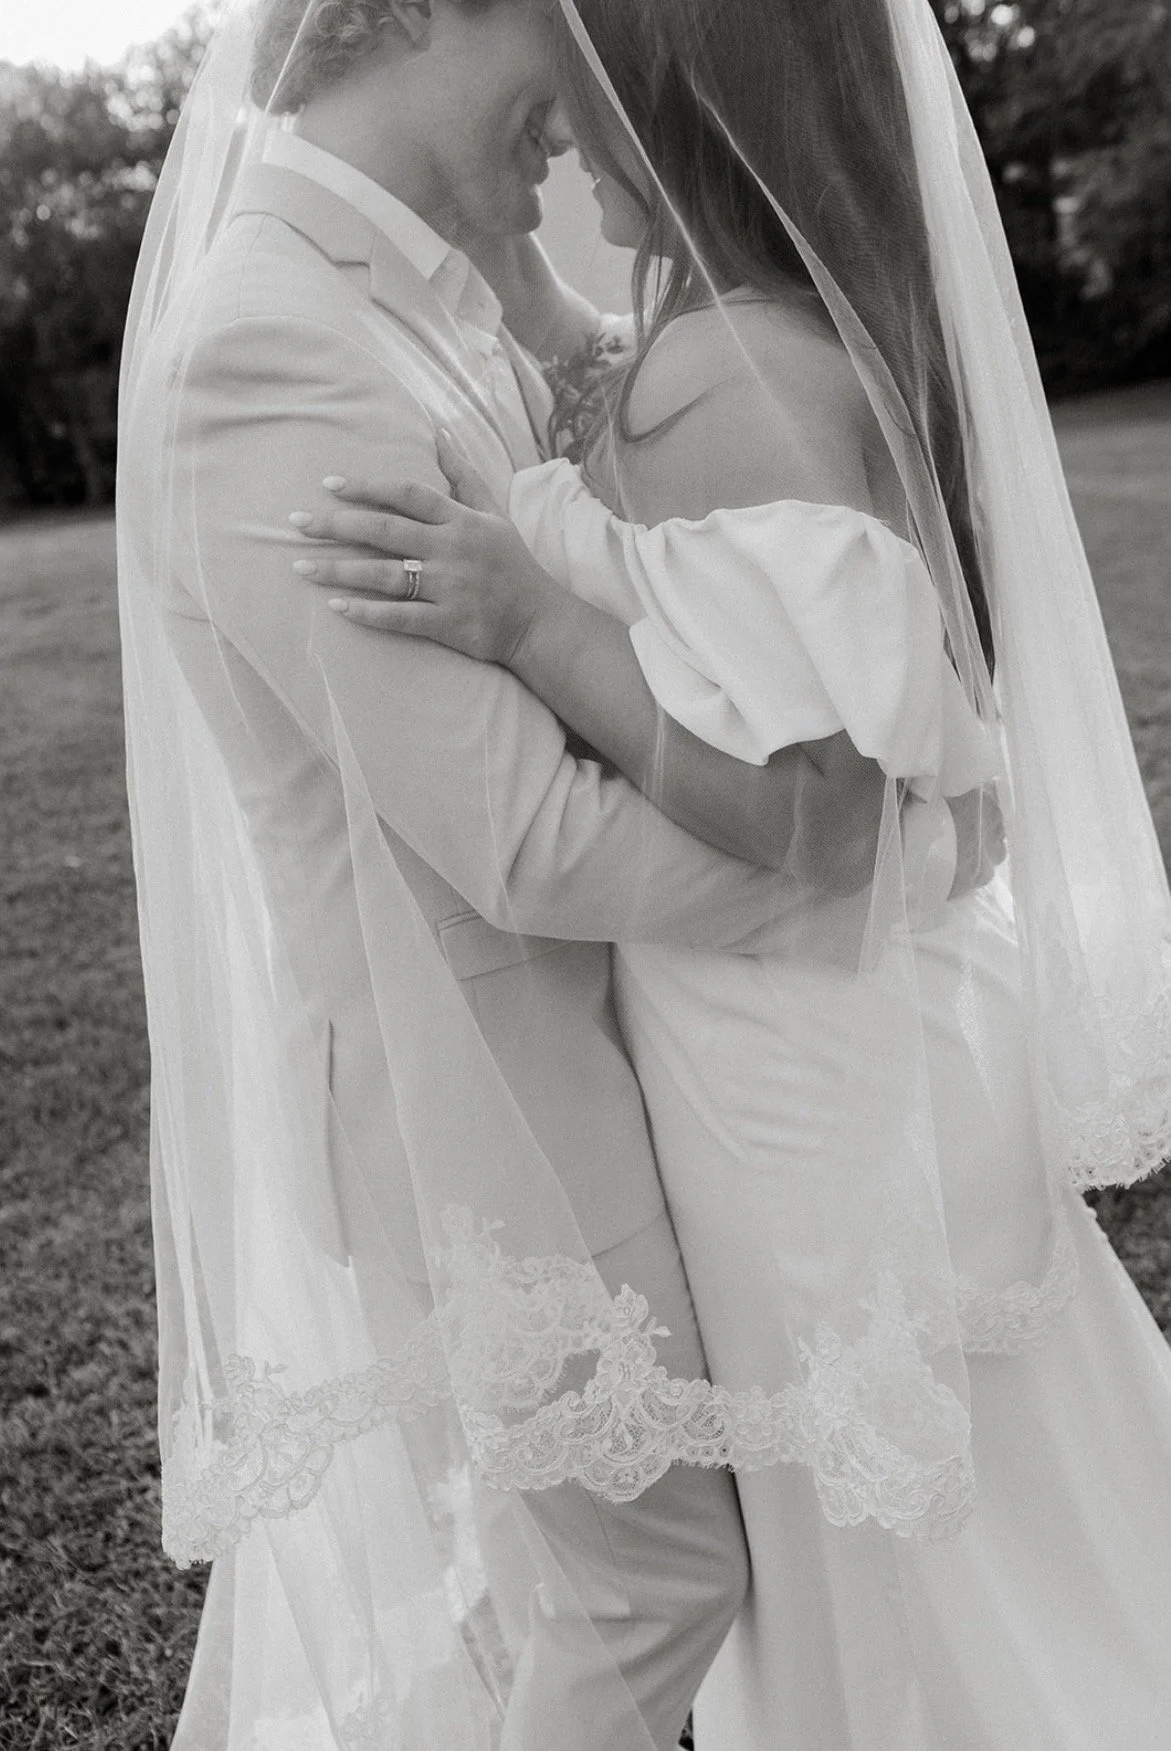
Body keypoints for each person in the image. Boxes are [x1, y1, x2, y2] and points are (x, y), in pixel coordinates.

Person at [289, 0, 1171, 1743]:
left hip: (800, 1054)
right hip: (872, 1022)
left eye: (594, 75)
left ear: (682, 101)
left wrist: (526, 614)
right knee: (986, 1472)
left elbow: (813, 814)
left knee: (885, 1526)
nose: (561, 110)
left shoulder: (727, 377)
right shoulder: (734, 335)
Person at [117, 0, 978, 1744]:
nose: (592, 99)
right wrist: (878, 858)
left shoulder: (441, 287)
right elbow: (517, 832)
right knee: (641, 1588)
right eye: (563, 30)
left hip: (619, 1076)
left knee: (610, 1594)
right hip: (480, 1103)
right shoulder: (263, 348)